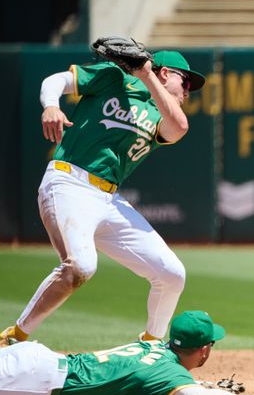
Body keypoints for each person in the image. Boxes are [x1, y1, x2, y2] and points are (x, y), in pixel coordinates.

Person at [1, 49, 206, 347]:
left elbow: (179, 128)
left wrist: (147, 75)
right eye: (185, 82)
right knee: (80, 267)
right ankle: (15, 337)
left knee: (172, 274)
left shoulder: (163, 114)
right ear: (165, 74)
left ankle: (150, 349)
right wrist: (50, 106)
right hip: (68, 181)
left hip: (108, 199)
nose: (188, 91)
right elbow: (55, 80)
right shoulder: (115, 78)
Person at [0, 310, 254, 395]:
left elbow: (152, 378)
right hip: (34, 378)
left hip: (39, 358)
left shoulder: (154, 347)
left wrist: (192, 382)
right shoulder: (166, 373)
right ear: (204, 350)